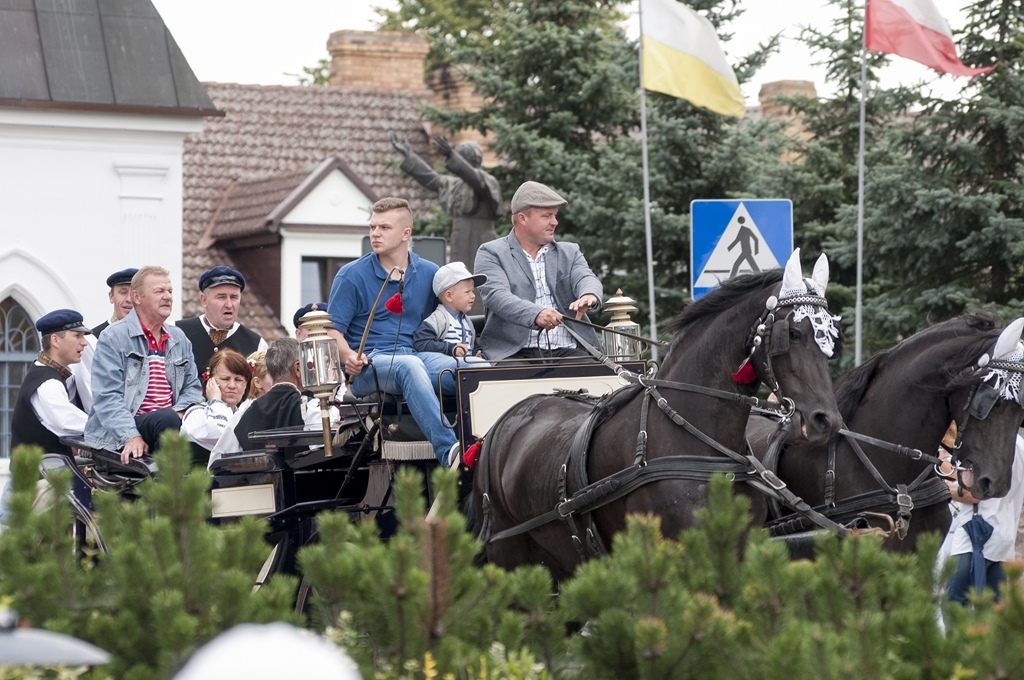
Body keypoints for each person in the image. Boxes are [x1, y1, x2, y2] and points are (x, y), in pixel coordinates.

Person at [326, 197, 460, 466]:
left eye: (384, 227)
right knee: (409, 366)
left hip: (419, 356)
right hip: (369, 366)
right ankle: (451, 452)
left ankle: (490, 447)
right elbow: (332, 332)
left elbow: (444, 321)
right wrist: (349, 356)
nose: (375, 233)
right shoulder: (350, 275)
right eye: (372, 227)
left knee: (472, 369)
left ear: (405, 233)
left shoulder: (429, 272)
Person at [84, 266, 203, 464]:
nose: (167, 296)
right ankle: (169, 481)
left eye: (170, 291)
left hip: (168, 423)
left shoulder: (179, 338)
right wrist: (131, 435)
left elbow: (193, 388)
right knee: (166, 419)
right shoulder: (113, 337)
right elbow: (107, 397)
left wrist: (180, 412)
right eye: (159, 291)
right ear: (137, 297)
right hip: (126, 428)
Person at [474, 180, 604, 361]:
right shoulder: (491, 252)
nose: (555, 222)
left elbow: (585, 276)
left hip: (569, 351)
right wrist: (536, 314)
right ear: (522, 218)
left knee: (598, 375)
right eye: (547, 216)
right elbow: (497, 296)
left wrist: (589, 294)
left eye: (555, 215)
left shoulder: (570, 251)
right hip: (512, 354)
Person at [390, 132, 502, 281]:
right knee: (459, 280)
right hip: (460, 239)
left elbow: (476, 180)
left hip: (481, 239)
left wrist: (451, 154)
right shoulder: (453, 184)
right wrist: (409, 155)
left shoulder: (487, 181)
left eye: (459, 158)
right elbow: (430, 177)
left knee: (482, 279)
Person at [938, 425, 1024, 606]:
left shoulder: (986, 442)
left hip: (975, 537)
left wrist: (942, 488)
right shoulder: (1020, 444)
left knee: (953, 605)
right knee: (991, 610)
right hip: (1003, 540)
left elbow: (973, 493)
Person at [208, 338, 323, 463]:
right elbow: (326, 455)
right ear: (298, 369)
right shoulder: (312, 409)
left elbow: (217, 463)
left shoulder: (243, 414)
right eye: (308, 366)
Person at [10, 309, 91, 457]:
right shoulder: (48, 383)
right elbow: (67, 421)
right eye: (77, 336)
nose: (84, 342)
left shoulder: (48, 373)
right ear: (55, 340)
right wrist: (114, 428)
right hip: (39, 471)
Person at [175, 266, 267, 378]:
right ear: (204, 300)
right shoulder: (176, 332)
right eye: (221, 297)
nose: (229, 304)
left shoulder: (257, 345)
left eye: (234, 297)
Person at [180, 349, 251, 462]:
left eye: (238, 380)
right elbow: (221, 435)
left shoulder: (245, 417)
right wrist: (216, 401)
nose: (232, 385)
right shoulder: (196, 414)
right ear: (210, 381)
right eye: (225, 379)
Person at [414, 261, 488, 363]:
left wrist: (479, 355)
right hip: (447, 368)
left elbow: (473, 345)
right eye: (467, 292)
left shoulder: (467, 322)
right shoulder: (438, 319)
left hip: (466, 369)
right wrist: (451, 348)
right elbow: (420, 342)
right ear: (449, 296)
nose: (473, 296)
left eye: (472, 291)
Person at [91, 267, 138, 335]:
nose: (129, 299)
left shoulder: (152, 335)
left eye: (135, 294)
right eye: (123, 292)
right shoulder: (94, 338)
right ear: (111, 296)